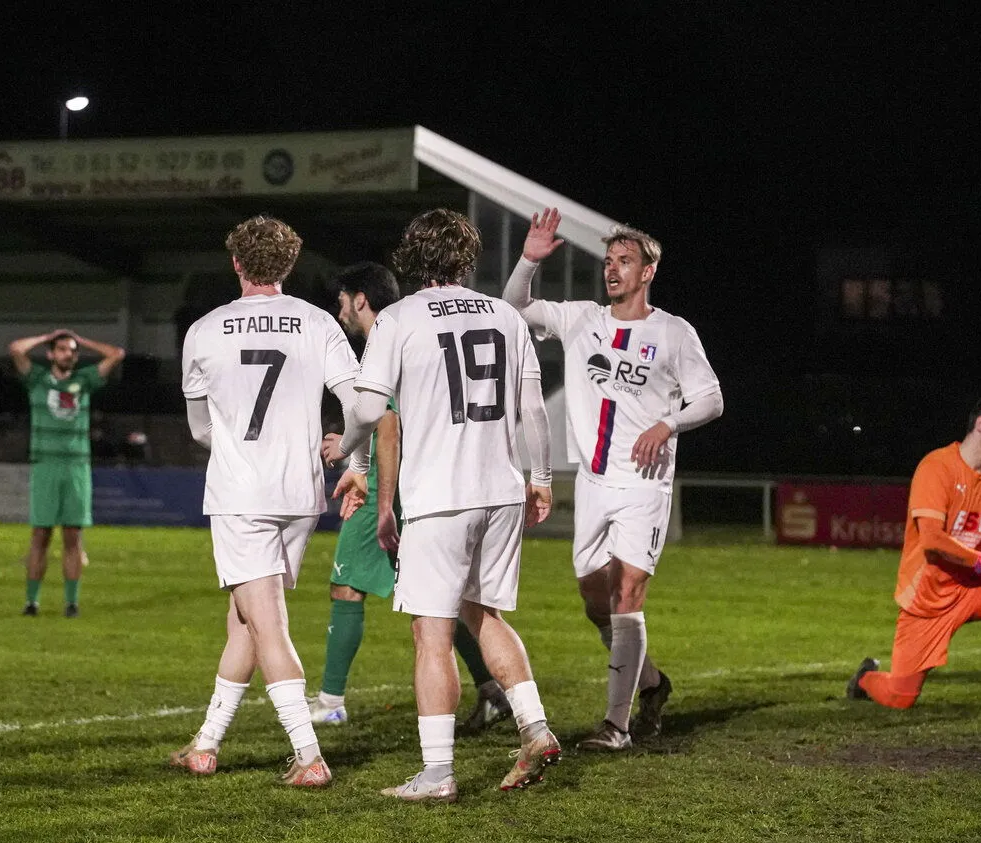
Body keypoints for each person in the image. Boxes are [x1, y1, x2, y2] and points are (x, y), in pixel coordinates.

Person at [325, 208, 559, 803]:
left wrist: (345, 455)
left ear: (412, 256)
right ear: (467, 257)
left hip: (439, 497)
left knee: (432, 634)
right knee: (484, 615)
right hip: (502, 490)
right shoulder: (505, 315)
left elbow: (370, 408)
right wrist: (540, 477)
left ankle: (437, 773)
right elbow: (533, 407)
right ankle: (534, 727)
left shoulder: (399, 317)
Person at [502, 209, 723, 750]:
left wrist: (668, 423)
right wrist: (529, 259)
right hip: (595, 482)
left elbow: (712, 399)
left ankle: (617, 726)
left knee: (627, 594)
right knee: (594, 601)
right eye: (608, 262)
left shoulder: (673, 332)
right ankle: (652, 685)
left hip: (645, 486)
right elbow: (512, 308)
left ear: (648, 271)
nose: (613, 270)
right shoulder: (582, 319)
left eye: (625, 261)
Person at [169, 215, 367, 787]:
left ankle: (308, 758)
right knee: (247, 622)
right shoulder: (317, 323)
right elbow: (361, 406)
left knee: (268, 626)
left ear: (236, 263)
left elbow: (200, 428)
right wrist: (350, 456)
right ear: (289, 265)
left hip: (242, 494)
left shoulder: (204, 330)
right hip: (299, 495)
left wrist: (233, 442)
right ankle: (205, 745)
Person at [309, 263, 512, 732]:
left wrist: (372, 491)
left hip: (394, 486)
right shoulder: (424, 330)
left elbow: (387, 425)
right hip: (439, 482)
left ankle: (331, 700)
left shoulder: (393, 331)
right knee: (445, 601)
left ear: (361, 299)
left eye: (342, 300)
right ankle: (494, 690)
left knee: (348, 585)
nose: (339, 311)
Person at [848, 396, 981, 712]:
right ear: (980, 425)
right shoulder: (936, 467)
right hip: (928, 598)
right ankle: (864, 679)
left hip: (974, 588)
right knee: (900, 698)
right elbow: (931, 540)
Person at [8, 329, 125, 617]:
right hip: (45, 465)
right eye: (61, 349)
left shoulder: (83, 381)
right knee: (40, 535)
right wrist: (48, 335)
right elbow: (15, 349)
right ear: (50, 354)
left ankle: (71, 603)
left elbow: (116, 354)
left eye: (72, 350)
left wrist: (81, 339)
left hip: (76, 467)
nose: (68, 354)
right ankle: (31, 602)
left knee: (72, 535)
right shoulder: (37, 379)